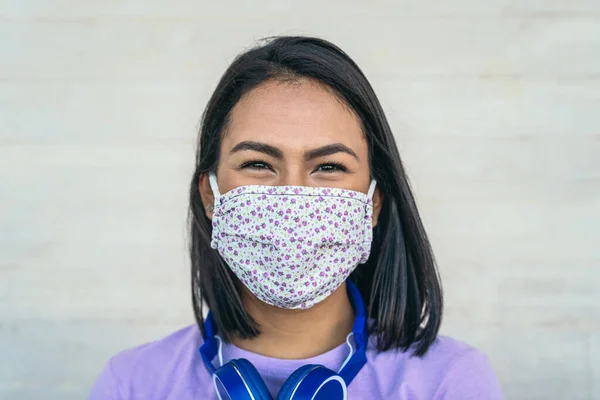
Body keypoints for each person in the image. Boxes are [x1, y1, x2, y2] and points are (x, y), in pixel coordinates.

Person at [88, 36, 503, 399]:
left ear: (372, 204)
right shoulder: (132, 384)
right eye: (258, 164)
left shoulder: (449, 382)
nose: (293, 195)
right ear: (210, 197)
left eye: (329, 167)